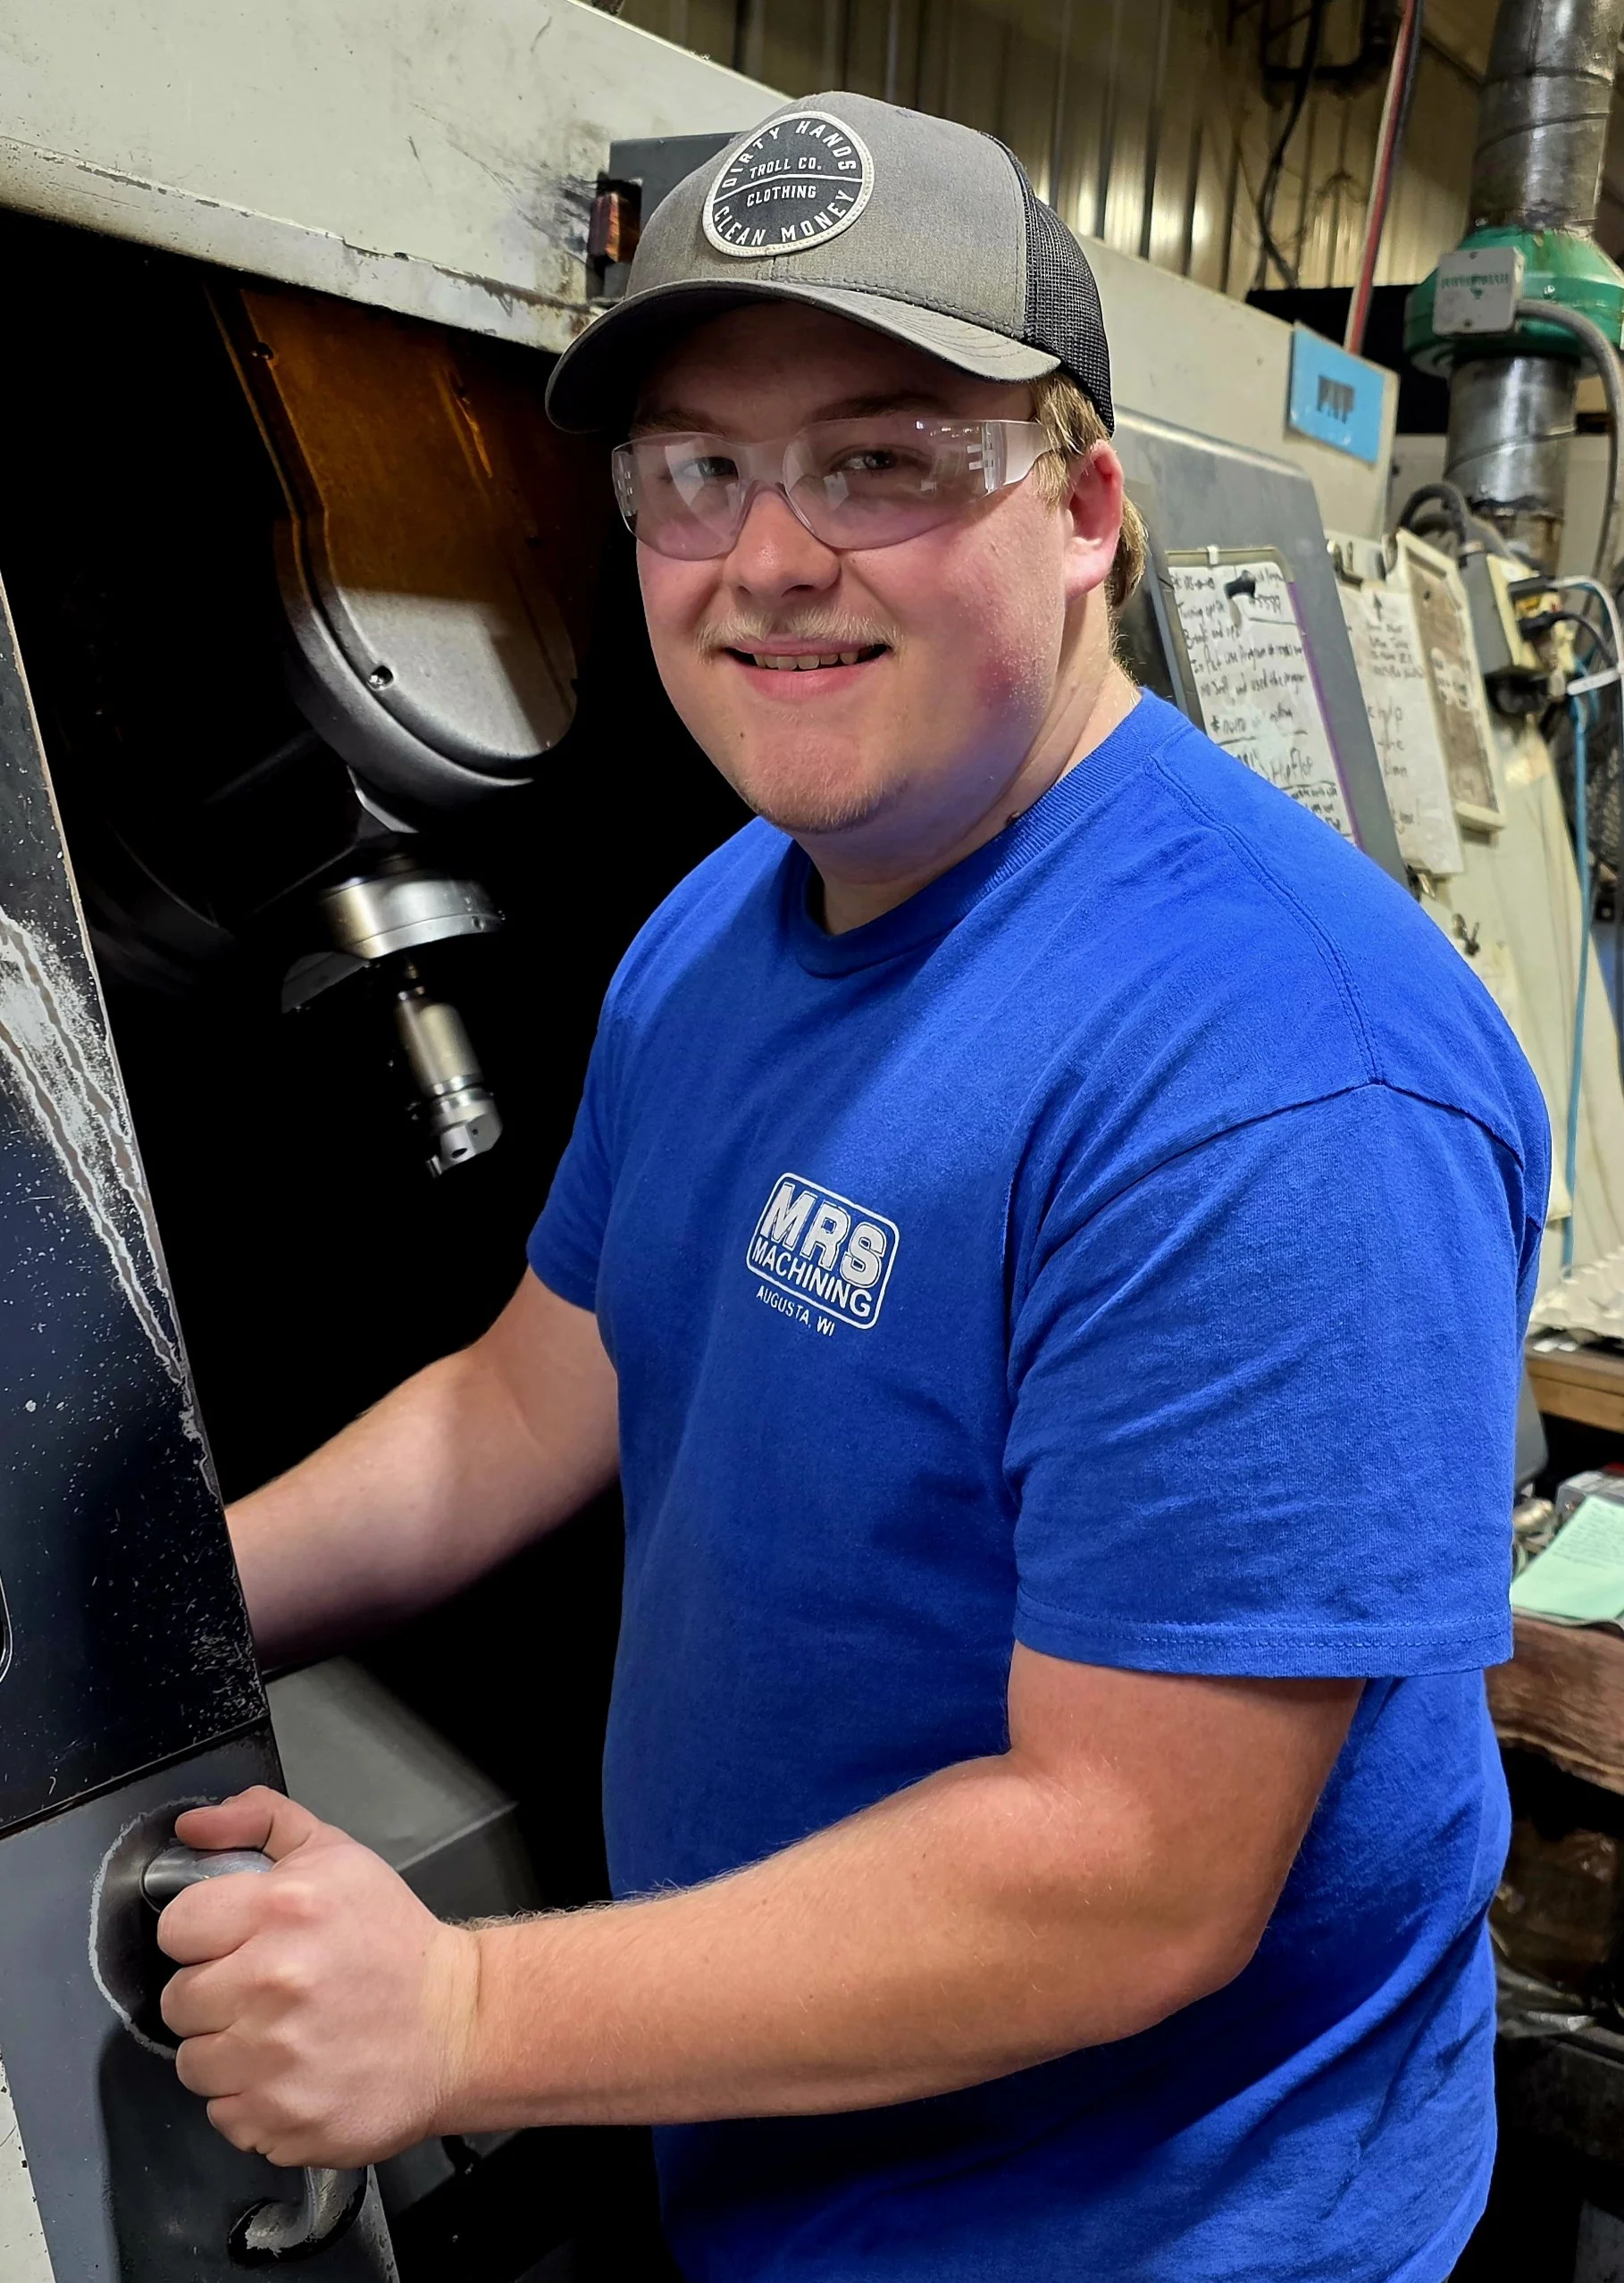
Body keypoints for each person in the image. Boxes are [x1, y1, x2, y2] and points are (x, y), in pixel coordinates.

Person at [161, 91, 1548, 2283]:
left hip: (1152, 2236)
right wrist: (128, 1626)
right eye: (695, 472)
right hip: (802, 2166)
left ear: (1088, 510)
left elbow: (1131, 1873)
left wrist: (461, 2011)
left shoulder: (1274, 1067)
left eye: (885, 459)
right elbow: (531, 1402)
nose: (772, 555)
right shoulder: (724, 927)